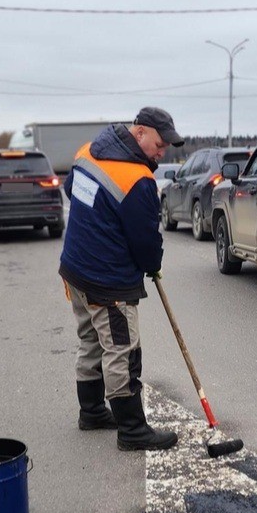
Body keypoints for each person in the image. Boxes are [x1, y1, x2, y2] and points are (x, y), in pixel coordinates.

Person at [59, 107, 185, 451]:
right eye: (159, 145)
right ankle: (132, 429)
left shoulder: (88, 152)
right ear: (140, 132)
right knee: (121, 350)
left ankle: (92, 411)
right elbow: (146, 242)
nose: (162, 153)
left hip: (75, 271)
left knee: (90, 341)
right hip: (107, 281)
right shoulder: (138, 181)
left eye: (166, 149)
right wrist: (151, 264)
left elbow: (74, 192)